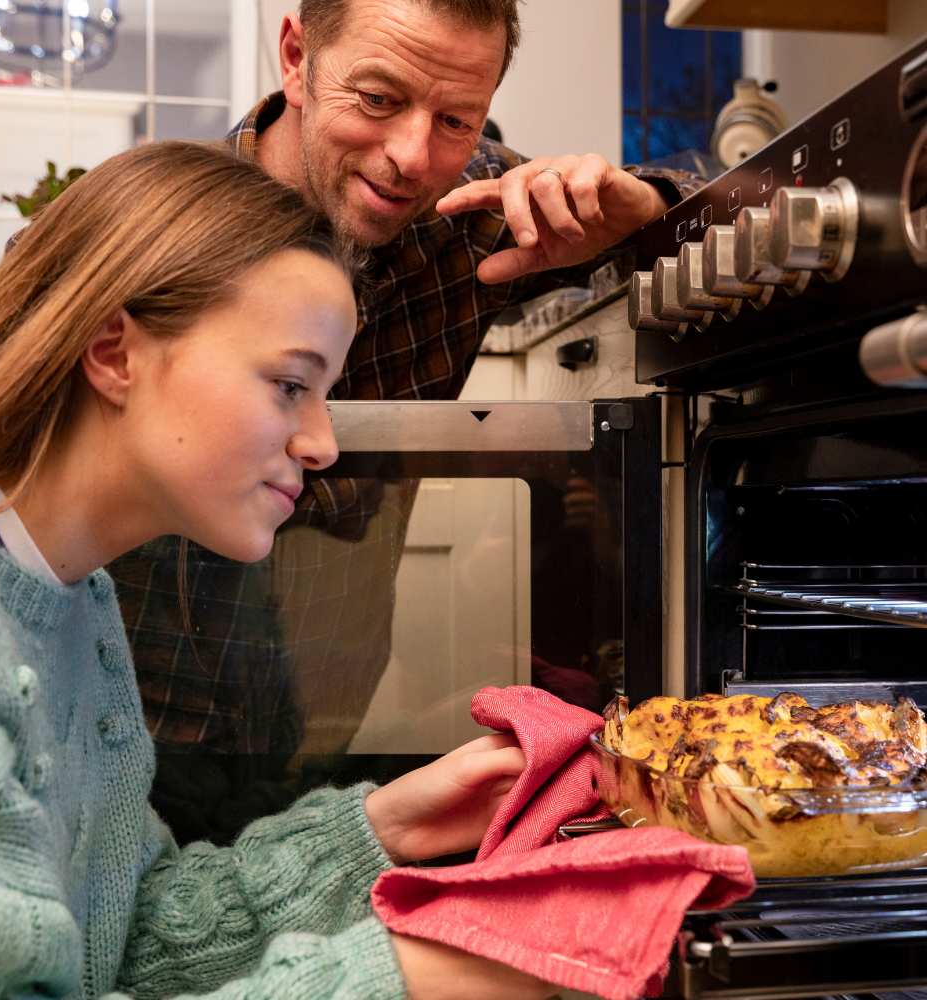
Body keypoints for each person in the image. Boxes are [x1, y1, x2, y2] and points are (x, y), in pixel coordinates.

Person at [0, 139, 557, 999]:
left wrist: (379, 832)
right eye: (291, 385)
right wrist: (408, 979)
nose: (322, 443)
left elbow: (121, 931)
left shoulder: (76, 597)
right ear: (115, 353)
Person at [113, 0, 703, 833]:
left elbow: (722, 200)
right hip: (137, 664)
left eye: (458, 120)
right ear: (296, 55)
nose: (410, 159)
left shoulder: (468, 214)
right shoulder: (153, 217)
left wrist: (642, 208)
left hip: (326, 653)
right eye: (379, 100)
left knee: (284, 859)